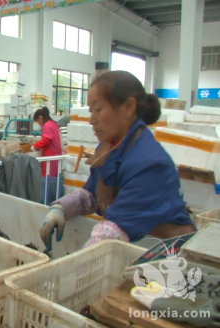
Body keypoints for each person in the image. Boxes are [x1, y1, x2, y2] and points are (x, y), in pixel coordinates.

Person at [39, 71, 195, 250]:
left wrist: (73, 268)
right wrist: (60, 208)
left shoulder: (149, 161)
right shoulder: (109, 148)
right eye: (91, 111)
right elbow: (92, 195)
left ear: (128, 106)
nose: (91, 120)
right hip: (131, 250)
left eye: (98, 109)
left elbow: (113, 232)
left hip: (168, 257)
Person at [31, 107, 64, 204]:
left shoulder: (47, 125)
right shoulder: (54, 124)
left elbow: (46, 141)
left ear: (40, 118)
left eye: (37, 121)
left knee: (46, 186)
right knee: (55, 186)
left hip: (50, 158)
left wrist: (35, 146)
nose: (38, 124)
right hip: (56, 158)